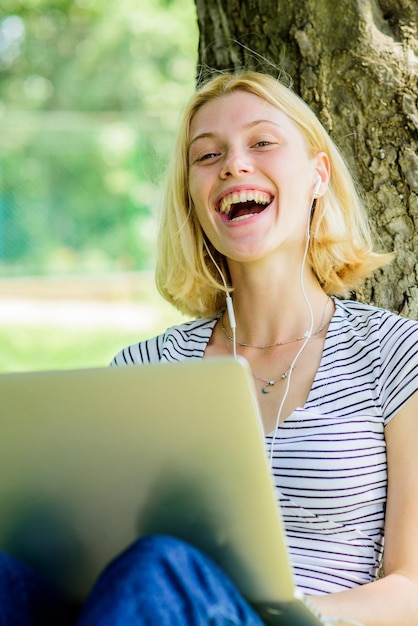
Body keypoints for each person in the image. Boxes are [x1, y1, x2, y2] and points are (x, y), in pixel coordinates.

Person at [2, 70, 418, 625]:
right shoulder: (141, 370)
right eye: (207, 155)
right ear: (193, 200)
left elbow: (413, 585)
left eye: (263, 143)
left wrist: (293, 615)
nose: (233, 164)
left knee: (161, 566)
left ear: (318, 175)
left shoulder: (394, 353)